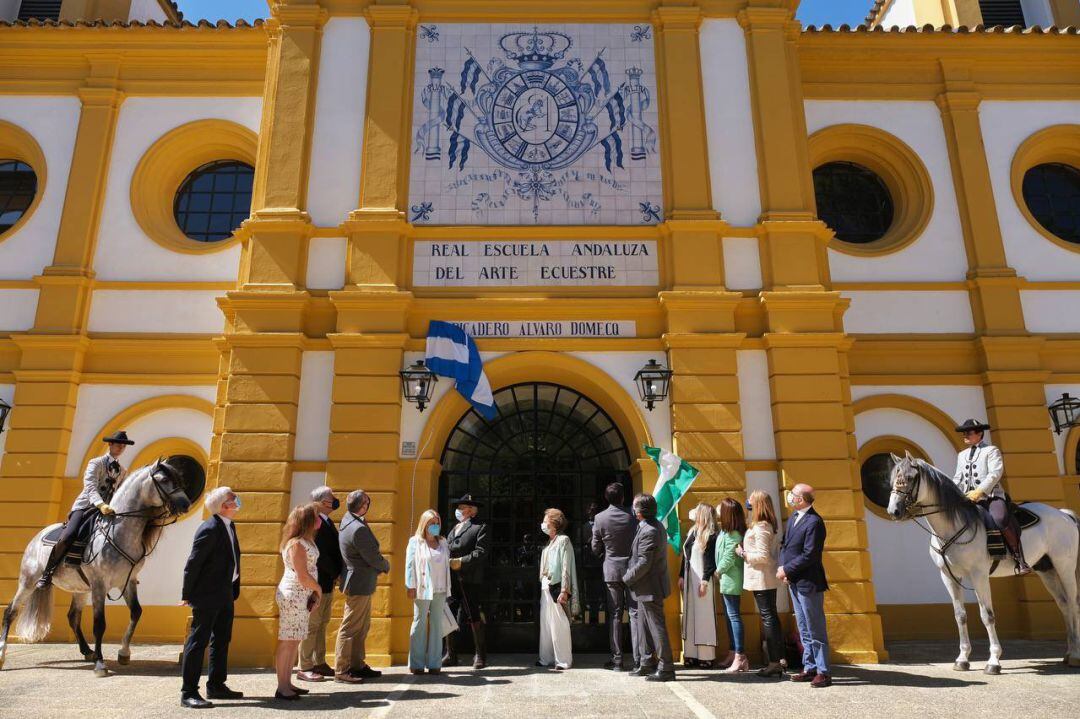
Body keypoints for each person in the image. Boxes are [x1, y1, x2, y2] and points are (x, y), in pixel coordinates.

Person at [37, 430, 135, 589]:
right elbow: (90, 487)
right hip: (86, 507)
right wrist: (100, 504)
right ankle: (48, 572)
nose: (121, 447)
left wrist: (113, 508)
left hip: (108, 510)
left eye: (124, 446)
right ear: (110, 444)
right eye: (118, 444)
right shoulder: (95, 463)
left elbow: (119, 493)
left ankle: (125, 572)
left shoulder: (123, 471)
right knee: (68, 535)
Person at [180, 486, 243, 709]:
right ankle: (188, 692)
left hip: (225, 592)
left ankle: (216, 684)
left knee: (222, 639)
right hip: (207, 594)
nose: (237, 501)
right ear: (223, 506)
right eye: (233, 498)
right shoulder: (209, 528)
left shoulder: (229, 525)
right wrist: (187, 594)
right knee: (198, 642)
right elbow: (193, 563)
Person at [953, 418, 1030, 574]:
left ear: (980, 433)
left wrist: (981, 491)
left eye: (968, 432)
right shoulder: (962, 455)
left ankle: (1019, 559)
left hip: (991, 496)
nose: (965, 435)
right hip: (968, 497)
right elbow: (958, 477)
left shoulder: (991, 450)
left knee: (1000, 519)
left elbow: (995, 473)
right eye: (964, 433)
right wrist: (953, 492)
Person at [777, 483, 831, 688]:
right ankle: (809, 667)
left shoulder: (814, 522)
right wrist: (783, 567)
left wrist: (787, 569)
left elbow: (810, 555)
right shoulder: (793, 517)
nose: (789, 497)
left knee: (815, 627)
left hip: (809, 582)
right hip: (793, 581)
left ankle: (823, 671)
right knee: (803, 627)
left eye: (793, 494)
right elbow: (786, 545)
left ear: (801, 499)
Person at [335, 489, 389, 683]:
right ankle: (342, 669)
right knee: (350, 627)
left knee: (361, 626)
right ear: (362, 506)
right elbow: (372, 556)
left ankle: (357, 664)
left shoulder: (348, 520)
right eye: (367, 502)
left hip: (359, 581)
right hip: (359, 581)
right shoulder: (357, 527)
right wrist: (385, 565)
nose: (368, 505)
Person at [623, 493, 675, 682]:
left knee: (656, 627)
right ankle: (646, 663)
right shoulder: (647, 526)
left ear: (640, 510)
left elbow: (645, 562)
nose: (633, 508)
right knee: (644, 626)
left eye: (635, 506)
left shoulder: (650, 530)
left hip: (650, 587)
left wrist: (627, 578)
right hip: (644, 587)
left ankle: (666, 667)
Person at [590, 482, 639, 671]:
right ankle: (638, 659)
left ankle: (617, 660)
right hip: (633, 570)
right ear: (623, 497)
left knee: (615, 615)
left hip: (611, 570)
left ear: (606, 498)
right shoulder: (633, 516)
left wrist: (606, 555)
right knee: (635, 614)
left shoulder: (600, 518)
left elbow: (595, 548)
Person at [274, 504, 322, 701]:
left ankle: (287, 682)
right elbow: (302, 575)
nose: (320, 520)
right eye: (316, 517)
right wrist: (317, 589)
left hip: (301, 596)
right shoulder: (296, 544)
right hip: (293, 595)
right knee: (288, 640)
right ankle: (282, 686)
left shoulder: (306, 540)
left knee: (294, 640)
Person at [297, 487, 343, 682]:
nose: (334, 501)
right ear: (322, 502)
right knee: (312, 625)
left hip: (327, 582)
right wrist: (336, 572)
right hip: (318, 581)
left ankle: (319, 661)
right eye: (331, 498)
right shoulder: (314, 523)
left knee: (322, 623)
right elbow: (320, 554)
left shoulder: (327, 521)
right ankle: (305, 666)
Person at [737, 491, 784, 678]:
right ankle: (778, 659)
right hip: (761, 578)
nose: (747, 502)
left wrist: (743, 554)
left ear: (758, 505)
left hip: (763, 578)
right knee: (770, 617)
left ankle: (774, 662)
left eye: (751, 501)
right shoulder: (761, 525)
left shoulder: (762, 527)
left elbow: (764, 556)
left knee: (769, 618)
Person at [445, 493, 490, 669]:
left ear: (471, 511)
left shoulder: (480, 527)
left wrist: (461, 561)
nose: (458, 510)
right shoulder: (454, 528)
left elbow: (481, 552)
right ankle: (450, 654)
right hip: (451, 579)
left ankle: (480, 655)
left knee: (473, 615)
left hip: (469, 578)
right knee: (448, 613)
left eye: (462, 508)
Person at [405, 510, 451, 674]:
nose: (435, 526)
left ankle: (434, 663)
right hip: (422, 588)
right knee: (419, 623)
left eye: (437, 522)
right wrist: (410, 585)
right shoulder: (415, 542)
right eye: (432, 523)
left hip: (440, 588)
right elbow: (410, 565)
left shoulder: (443, 542)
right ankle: (416, 664)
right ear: (424, 524)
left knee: (437, 625)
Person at [537, 508, 580, 670]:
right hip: (545, 586)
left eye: (546, 519)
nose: (544, 523)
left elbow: (565, 567)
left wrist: (564, 589)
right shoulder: (549, 542)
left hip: (556, 586)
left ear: (554, 523)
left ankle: (562, 660)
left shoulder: (564, 540)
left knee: (559, 623)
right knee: (546, 624)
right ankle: (546, 658)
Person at [679, 503, 718, 668]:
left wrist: (704, 581)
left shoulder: (711, 534)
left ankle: (706, 655)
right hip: (689, 578)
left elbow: (710, 561)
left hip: (703, 579)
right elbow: (685, 555)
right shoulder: (692, 531)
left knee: (704, 616)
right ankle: (691, 654)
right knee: (690, 616)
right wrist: (681, 575)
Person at [715, 498, 747, 673]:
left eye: (721, 509)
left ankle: (740, 656)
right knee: (729, 616)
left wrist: (718, 571)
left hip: (731, 578)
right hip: (724, 579)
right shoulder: (725, 532)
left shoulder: (734, 534)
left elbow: (729, 557)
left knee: (734, 616)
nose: (718, 511)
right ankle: (732, 651)